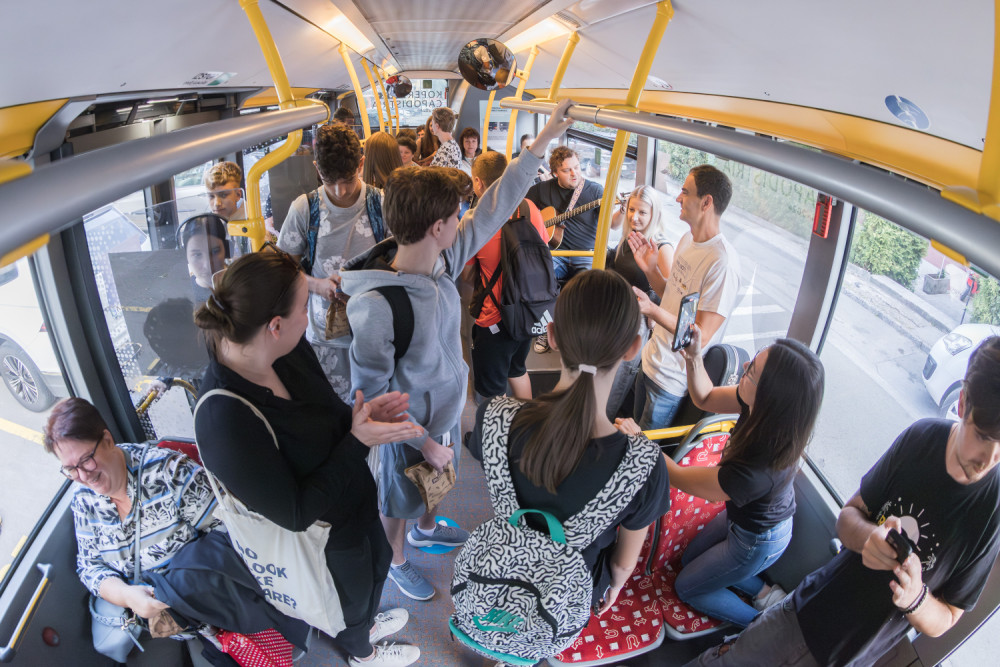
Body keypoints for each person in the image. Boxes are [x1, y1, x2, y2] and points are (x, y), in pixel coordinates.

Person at [340, 100, 576, 602]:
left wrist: (541, 144)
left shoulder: (443, 259)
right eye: (455, 215)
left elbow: (495, 205)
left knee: (436, 484)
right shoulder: (378, 307)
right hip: (407, 432)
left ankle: (426, 530)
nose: (463, 219)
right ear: (437, 227)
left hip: (444, 411)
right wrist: (425, 441)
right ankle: (396, 559)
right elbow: (372, 401)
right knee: (397, 500)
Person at [687, 336, 1000, 667]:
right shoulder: (920, 438)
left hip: (852, 657)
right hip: (809, 610)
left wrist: (916, 599)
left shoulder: (992, 512)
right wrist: (869, 538)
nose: (990, 458)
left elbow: (948, 617)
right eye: (983, 436)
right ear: (962, 403)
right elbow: (849, 516)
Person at [193, 251, 423, 667]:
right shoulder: (224, 419)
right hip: (324, 541)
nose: (309, 316)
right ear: (275, 325)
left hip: (353, 503)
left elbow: (324, 414)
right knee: (350, 602)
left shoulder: (285, 349)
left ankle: (365, 626)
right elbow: (296, 514)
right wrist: (358, 441)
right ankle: (362, 653)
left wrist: (358, 418)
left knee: (378, 566)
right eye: (304, 307)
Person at [466, 270, 669, 617]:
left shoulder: (494, 418)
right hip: (565, 600)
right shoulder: (644, 468)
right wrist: (615, 587)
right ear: (633, 349)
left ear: (552, 336)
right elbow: (622, 565)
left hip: (502, 572)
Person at [49, 397, 309, 665]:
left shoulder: (169, 472)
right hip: (165, 625)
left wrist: (181, 589)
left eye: (86, 460)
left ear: (106, 439)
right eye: (70, 469)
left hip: (219, 611)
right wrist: (127, 595)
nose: (83, 476)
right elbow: (90, 566)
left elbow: (233, 534)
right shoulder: (84, 499)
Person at [624, 332, 824, 628]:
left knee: (687, 587)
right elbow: (705, 397)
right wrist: (694, 356)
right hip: (742, 519)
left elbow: (679, 477)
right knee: (688, 559)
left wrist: (641, 442)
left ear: (769, 397)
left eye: (751, 371)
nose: (743, 367)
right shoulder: (763, 410)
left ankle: (763, 626)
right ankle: (765, 593)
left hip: (758, 540)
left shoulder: (758, 469)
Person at [277, 122, 385, 401]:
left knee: (374, 408)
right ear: (317, 169)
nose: (339, 191)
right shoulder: (305, 209)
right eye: (329, 181)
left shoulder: (381, 205)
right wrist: (316, 284)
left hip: (375, 337)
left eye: (347, 180)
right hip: (324, 341)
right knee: (332, 411)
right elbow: (279, 270)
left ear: (361, 164)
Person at [632, 164, 741, 430]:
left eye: (685, 192)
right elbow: (671, 296)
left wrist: (651, 310)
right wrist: (650, 270)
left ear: (706, 202)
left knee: (642, 449)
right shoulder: (687, 239)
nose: (678, 198)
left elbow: (699, 334)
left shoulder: (722, 263)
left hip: (670, 380)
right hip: (650, 359)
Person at [467, 151, 549, 402]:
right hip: (527, 311)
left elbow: (466, 273)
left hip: (495, 317)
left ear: (479, 182)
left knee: (492, 389)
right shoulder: (529, 207)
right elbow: (544, 249)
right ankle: (527, 420)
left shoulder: (477, 219)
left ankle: (495, 428)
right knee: (517, 369)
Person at [604, 185, 674, 419]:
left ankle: (602, 426)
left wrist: (653, 315)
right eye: (632, 210)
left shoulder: (661, 247)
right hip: (616, 314)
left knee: (618, 380)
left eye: (642, 212)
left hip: (636, 321)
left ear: (655, 214)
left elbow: (670, 296)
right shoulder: (630, 237)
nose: (635, 217)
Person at [525, 145, 604, 352]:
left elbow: (612, 224)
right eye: (566, 170)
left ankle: (577, 336)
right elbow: (523, 209)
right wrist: (539, 225)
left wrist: (621, 213)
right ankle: (546, 327)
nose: (574, 173)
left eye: (577, 167)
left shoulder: (595, 191)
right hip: (556, 253)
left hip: (584, 253)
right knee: (540, 278)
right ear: (554, 173)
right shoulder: (542, 189)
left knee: (589, 288)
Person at [177, 213, 230, 305]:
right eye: (197, 255)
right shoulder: (182, 297)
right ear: (185, 256)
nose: (208, 265)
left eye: (215, 251)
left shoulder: (244, 284)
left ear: (228, 250)